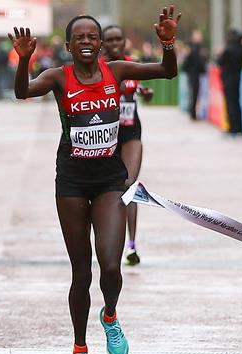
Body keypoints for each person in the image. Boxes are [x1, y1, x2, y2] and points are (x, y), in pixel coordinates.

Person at [8, 5, 180, 354]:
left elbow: (168, 72)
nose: (86, 41)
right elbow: (22, 92)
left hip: (108, 182)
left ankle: (111, 315)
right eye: (79, 37)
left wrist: (167, 43)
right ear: (69, 45)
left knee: (112, 267)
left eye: (92, 36)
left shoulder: (115, 71)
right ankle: (79, 351)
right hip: (70, 182)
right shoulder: (57, 77)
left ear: (101, 44)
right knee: (80, 272)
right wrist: (24, 60)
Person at [102, 24, 154, 266]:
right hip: (105, 136)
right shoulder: (96, 68)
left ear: (124, 42)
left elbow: (136, 87)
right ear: (102, 43)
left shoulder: (131, 65)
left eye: (118, 40)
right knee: (108, 189)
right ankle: (108, 241)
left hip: (131, 132)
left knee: (129, 186)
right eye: (109, 40)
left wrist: (144, 91)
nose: (114, 44)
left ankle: (131, 246)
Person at [217, 29, 242, 136]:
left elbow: (220, 62)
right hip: (237, 77)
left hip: (228, 78)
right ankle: (239, 127)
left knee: (230, 103)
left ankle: (232, 127)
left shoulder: (228, 49)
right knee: (236, 102)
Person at [182, 29, 206, 121]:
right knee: (194, 93)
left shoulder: (193, 47)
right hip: (193, 73)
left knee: (194, 93)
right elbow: (196, 60)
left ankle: (192, 112)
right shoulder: (194, 47)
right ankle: (193, 113)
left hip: (193, 73)